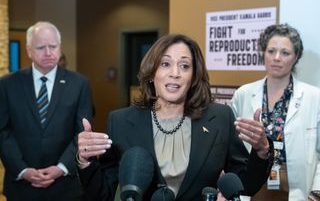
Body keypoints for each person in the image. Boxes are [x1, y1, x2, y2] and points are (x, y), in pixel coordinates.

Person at [76, 34, 273, 201]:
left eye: (185, 66)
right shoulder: (120, 122)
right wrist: (84, 161)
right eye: (165, 64)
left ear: (194, 77)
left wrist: (262, 150)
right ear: (152, 73)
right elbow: (103, 194)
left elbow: (244, 185)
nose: (175, 73)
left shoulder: (220, 118)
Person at [0, 21, 93, 200]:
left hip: (66, 186)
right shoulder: (7, 85)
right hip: (21, 186)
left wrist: (62, 168)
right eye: (41, 47)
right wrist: (23, 170)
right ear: (29, 51)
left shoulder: (79, 84)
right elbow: (3, 131)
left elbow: (82, 132)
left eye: (53, 46)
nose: (49, 52)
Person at [231, 23, 320, 200]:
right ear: (263, 53)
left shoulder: (314, 97)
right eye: (271, 51)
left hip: (296, 185)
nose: (277, 58)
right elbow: (231, 146)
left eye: (285, 53)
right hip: (254, 179)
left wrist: (317, 192)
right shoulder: (244, 93)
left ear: (296, 57)